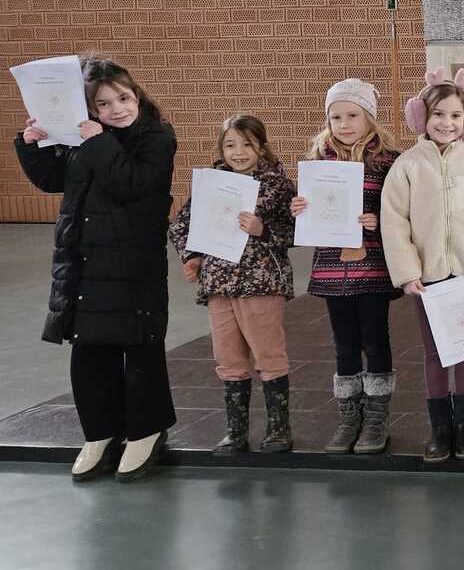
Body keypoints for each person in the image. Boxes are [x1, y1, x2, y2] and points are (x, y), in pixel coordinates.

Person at [15, 57, 177, 482]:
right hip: (84, 258)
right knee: (89, 349)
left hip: (133, 261)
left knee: (139, 344)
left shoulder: (157, 137)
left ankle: (146, 429)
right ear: (90, 108)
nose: (117, 109)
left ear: (136, 95)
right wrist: (31, 144)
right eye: (103, 104)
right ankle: (100, 433)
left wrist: (97, 141)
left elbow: (131, 184)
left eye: (123, 98)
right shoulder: (83, 138)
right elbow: (54, 180)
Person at [382, 68, 464, 463]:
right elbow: (394, 221)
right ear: (422, 116)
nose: (446, 123)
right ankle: (439, 428)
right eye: (438, 114)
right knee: (435, 352)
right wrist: (408, 273)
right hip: (428, 279)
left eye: (455, 115)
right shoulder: (407, 166)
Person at [169, 115, 296, 455]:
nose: (238, 152)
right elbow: (180, 226)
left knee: (269, 354)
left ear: (261, 147)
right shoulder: (211, 184)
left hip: (262, 283)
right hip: (218, 284)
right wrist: (191, 256)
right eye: (230, 145)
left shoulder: (278, 185)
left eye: (246, 144)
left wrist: (262, 230)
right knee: (228, 358)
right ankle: (235, 431)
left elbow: (296, 231)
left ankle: (278, 428)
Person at [292, 78, 401, 455]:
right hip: (330, 269)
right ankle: (349, 417)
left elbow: (402, 210)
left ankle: (376, 419)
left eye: (352, 115)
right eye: (336, 117)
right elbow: (308, 215)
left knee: (375, 338)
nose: (344, 123)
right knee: (344, 344)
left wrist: (378, 220)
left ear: (369, 116)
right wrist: (299, 210)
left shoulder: (388, 161)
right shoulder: (317, 162)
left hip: (373, 267)